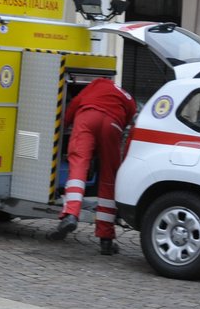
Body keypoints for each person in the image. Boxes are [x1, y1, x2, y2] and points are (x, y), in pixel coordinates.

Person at [49, 77, 137, 254]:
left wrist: (61, 127)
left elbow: (74, 104)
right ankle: (106, 238)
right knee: (108, 177)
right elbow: (128, 123)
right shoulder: (129, 99)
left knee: (79, 165)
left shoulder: (97, 84)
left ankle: (71, 215)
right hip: (113, 123)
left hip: (88, 117)